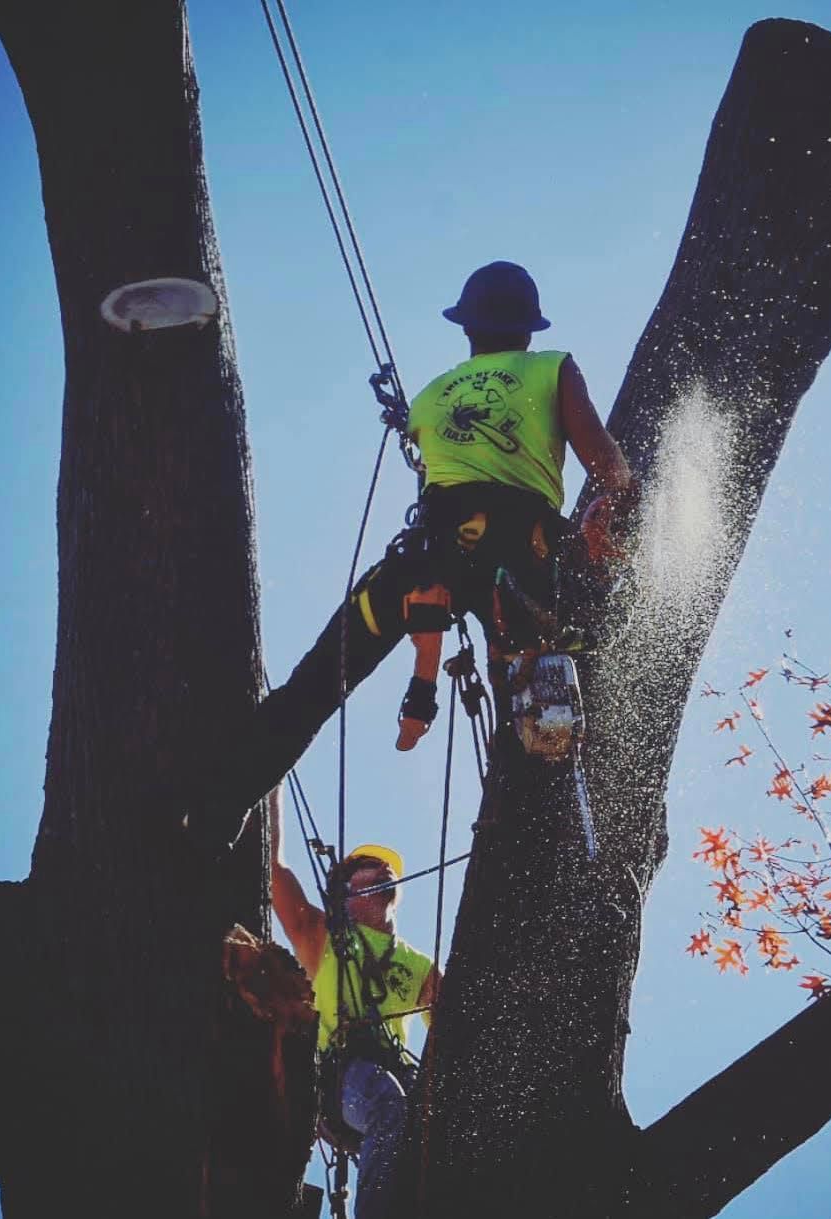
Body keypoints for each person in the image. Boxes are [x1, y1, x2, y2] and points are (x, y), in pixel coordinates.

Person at [247, 261, 635, 787]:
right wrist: (609, 503)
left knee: (315, 684)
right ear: (529, 329)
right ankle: (543, 793)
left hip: (430, 553)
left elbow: (433, 466)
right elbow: (608, 466)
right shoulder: (553, 367)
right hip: (525, 551)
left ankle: (212, 807)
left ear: (466, 328)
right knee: (569, 667)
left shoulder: (430, 397)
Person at [268, 788, 438, 1219]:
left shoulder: (418, 966)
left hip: (396, 1076)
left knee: (429, 1122)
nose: (380, 872)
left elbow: (458, 1029)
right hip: (340, 1078)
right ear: (343, 893)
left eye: (384, 871)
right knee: (388, 1103)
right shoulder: (322, 936)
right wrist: (272, 787)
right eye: (366, 870)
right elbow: (273, 869)